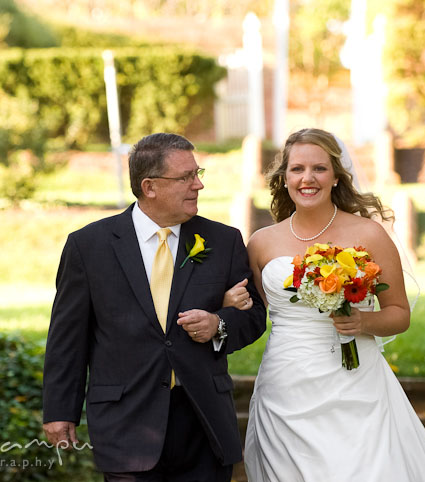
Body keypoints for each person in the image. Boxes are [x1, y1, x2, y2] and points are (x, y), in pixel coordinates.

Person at [42, 133, 267, 481]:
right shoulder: (89, 246)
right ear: (150, 187)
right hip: (126, 424)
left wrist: (218, 324)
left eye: (198, 172)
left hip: (204, 424)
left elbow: (253, 317)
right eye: (186, 177)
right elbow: (67, 338)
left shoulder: (224, 241)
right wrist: (59, 411)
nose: (199, 185)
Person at [241, 128, 425, 481]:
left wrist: (362, 322)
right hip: (285, 385)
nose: (308, 178)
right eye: (297, 169)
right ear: (285, 177)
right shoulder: (261, 243)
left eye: (319, 169)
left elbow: (400, 314)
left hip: (356, 382)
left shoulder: (368, 235)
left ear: (337, 175)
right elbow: (254, 315)